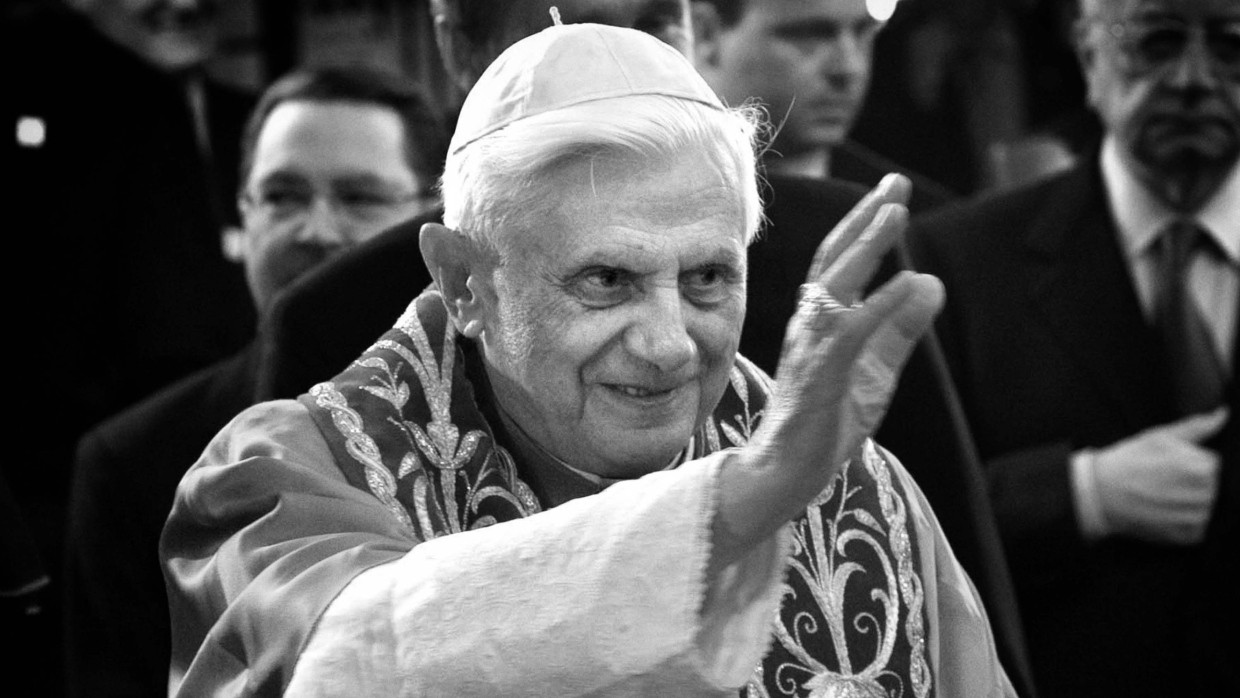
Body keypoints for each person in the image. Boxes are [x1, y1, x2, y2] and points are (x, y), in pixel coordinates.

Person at [161, 21, 1016, 697]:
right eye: (607, 280)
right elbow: (347, 660)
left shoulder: (859, 491)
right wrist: (738, 504)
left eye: (709, 278)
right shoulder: (283, 474)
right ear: (465, 282)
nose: (670, 343)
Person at [62, 66, 447, 698]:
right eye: (283, 196)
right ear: (242, 211)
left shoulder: (498, 429)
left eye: (360, 198)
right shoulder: (129, 463)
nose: (316, 231)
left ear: (425, 225)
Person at [905, 0, 1238, 695]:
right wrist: (1084, 494)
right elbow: (907, 517)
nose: (1193, 78)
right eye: (1158, 42)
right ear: (1089, 54)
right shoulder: (963, 260)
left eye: (1232, 46)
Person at [693, 0, 957, 209]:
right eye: (810, 34)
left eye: (863, 31)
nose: (849, 68)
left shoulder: (925, 228)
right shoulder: (657, 202)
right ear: (705, 33)